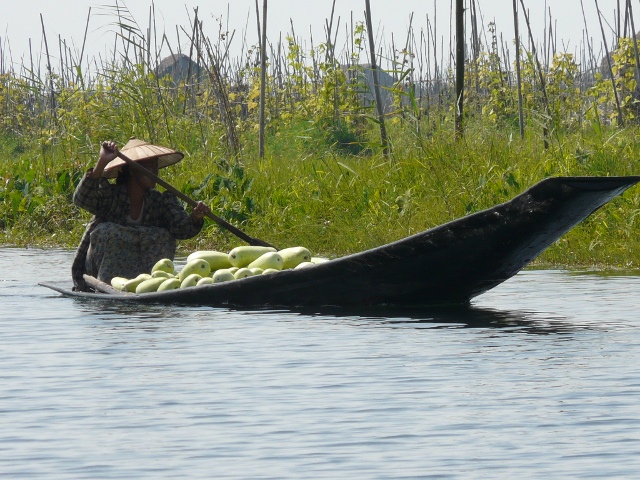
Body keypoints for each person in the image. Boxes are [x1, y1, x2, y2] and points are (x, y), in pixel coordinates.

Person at [71, 137, 210, 291]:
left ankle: (151, 285)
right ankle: (108, 286)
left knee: (164, 236)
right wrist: (102, 162)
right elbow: (81, 199)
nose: (154, 171)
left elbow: (181, 229)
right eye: (148, 166)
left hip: (142, 278)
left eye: (155, 165)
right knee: (107, 232)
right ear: (132, 169)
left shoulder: (159, 201)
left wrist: (195, 217)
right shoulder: (111, 197)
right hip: (104, 273)